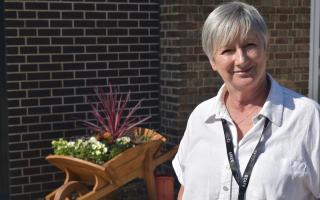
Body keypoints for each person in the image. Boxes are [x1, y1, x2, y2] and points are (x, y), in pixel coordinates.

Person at [172, 1, 320, 200]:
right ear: (212, 61)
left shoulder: (307, 118)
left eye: (249, 45)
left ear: (266, 48)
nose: (241, 59)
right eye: (227, 50)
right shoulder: (200, 117)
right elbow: (185, 190)